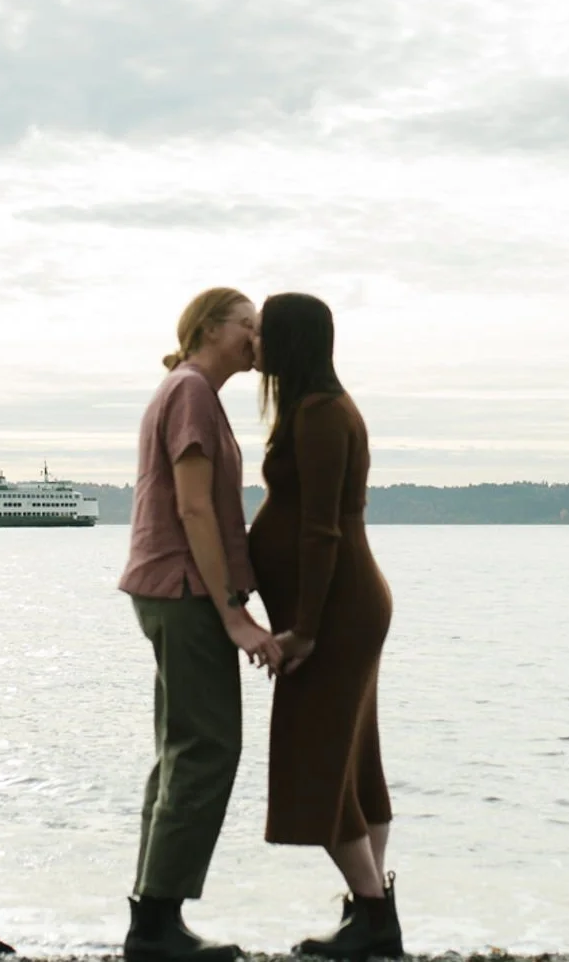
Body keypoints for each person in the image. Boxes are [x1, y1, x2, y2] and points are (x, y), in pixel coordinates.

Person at [119, 287, 281, 962]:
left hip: (173, 587)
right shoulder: (189, 393)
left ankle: (154, 917)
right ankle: (156, 925)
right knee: (207, 747)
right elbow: (193, 511)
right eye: (247, 324)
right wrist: (236, 616)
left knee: (184, 746)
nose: (256, 337)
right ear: (210, 327)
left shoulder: (191, 392)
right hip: (182, 589)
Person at [248, 293, 402, 961]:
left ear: (291, 342)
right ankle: (371, 914)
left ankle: (373, 919)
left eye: (264, 333)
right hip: (343, 605)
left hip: (336, 611)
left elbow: (320, 531)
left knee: (320, 760)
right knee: (354, 761)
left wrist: (305, 630)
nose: (254, 344)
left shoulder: (317, 414)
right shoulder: (320, 407)